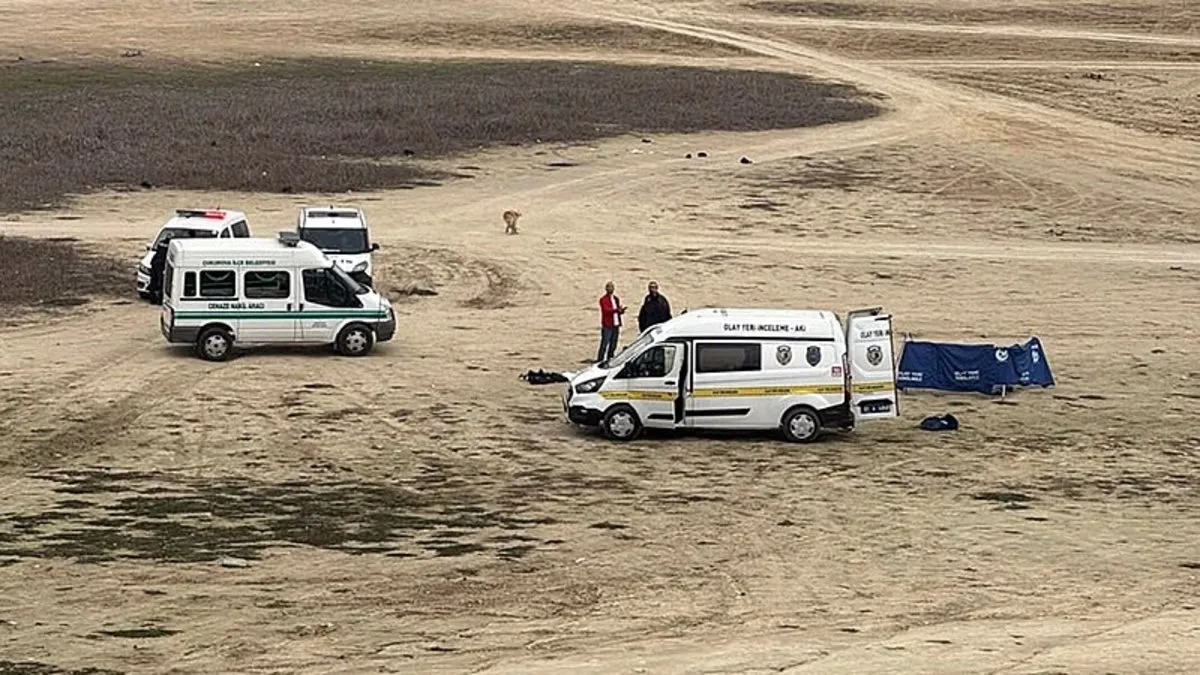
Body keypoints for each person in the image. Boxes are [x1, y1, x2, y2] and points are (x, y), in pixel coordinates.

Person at [597, 281, 626, 363]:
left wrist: (621, 311)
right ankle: (600, 360)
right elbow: (606, 310)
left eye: (612, 287)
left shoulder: (616, 299)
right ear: (606, 288)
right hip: (607, 325)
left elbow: (616, 311)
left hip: (615, 324)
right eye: (609, 287)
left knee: (613, 344)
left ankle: (610, 359)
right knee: (604, 344)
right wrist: (617, 310)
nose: (610, 288)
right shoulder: (603, 299)